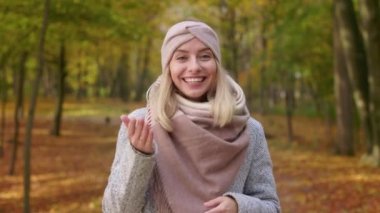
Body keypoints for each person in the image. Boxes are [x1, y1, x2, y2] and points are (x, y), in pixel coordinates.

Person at [102, 20, 281, 213]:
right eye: (181, 58)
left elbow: (271, 207)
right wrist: (140, 157)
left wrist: (239, 206)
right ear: (168, 66)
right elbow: (115, 210)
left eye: (205, 56)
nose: (194, 67)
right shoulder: (142, 125)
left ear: (216, 64)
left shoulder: (250, 131)